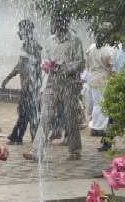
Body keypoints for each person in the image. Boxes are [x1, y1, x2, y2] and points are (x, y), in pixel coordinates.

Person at [24, 16, 85, 162]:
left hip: (69, 83)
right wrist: (47, 65)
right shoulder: (49, 40)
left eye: (60, 21)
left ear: (66, 23)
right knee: (45, 116)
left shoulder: (75, 40)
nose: (57, 24)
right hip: (52, 82)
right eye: (55, 21)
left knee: (70, 118)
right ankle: (37, 151)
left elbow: (79, 63)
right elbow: (44, 58)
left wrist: (62, 67)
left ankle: (75, 151)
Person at [1, 19, 43, 145]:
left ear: (25, 31)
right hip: (28, 86)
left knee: (29, 112)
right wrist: (8, 78)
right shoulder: (25, 46)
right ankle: (24, 136)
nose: (18, 32)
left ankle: (22, 137)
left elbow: (35, 68)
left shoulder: (33, 46)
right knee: (26, 112)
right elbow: (20, 66)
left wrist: (26, 85)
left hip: (32, 87)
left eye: (20, 29)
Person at [83, 41, 116, 148]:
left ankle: (95, 126)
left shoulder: (91, 48)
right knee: (102, 103)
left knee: (96, 103)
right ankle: (99, 127)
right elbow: (112, 65)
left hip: (92, 76)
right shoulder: (108, 50)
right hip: (102, 77)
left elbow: (87, 63)